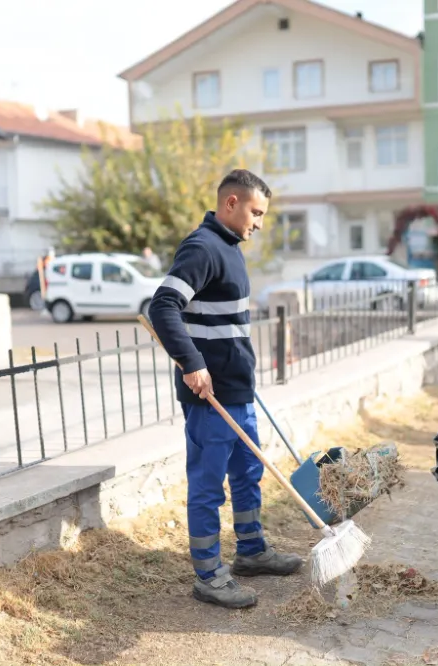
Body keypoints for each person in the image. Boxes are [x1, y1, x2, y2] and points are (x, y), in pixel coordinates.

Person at [148, 169, 303, 609]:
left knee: (248, 474)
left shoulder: (230, 248)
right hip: (209, 397)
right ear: (231, 203)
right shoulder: (202, 247)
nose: (260, 223)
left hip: (237, 391)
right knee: (208, 486)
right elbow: (163, 306)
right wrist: (192, 363)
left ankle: (251, 551)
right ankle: (209, 575)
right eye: (256, 212)